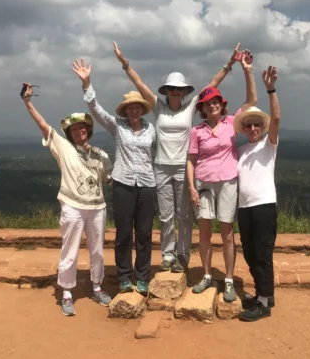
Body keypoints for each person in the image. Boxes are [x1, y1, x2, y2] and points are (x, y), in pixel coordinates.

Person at [112, 42, 243, 274]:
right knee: (165, 215)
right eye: (171, 87)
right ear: (166, 90)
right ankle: (167, 254)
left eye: (178, 88)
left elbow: (212, 85)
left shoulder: (192, 106)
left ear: (184, 92)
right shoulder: (158, 107)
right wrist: (125, 63)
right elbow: (140, 84)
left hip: (183, 167)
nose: (175, 91)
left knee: (184, 216)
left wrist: (229, 64)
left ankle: (182, 256)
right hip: (161, 167)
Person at [21, 83, 113, 317]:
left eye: (82, 127)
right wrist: (28, 102)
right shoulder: (63, 147)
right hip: (72, 205)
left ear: (88, 130)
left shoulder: (101, 155)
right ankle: (67, 293)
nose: (78, 131)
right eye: (74, 129)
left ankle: (96, 286)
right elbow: (44, 126)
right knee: (70, 250)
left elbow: (110, 178)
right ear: (69, 133)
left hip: (97, 207)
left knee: (97, 251)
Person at [75, 58, 157, 296]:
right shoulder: (117, 126)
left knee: (144, 233)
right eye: (131, 107)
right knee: (123, 233)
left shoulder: (151, 129)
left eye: (138, 107)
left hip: (147, 184)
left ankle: (142, 276)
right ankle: (123, 275)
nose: (134, 110)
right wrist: (86, 84)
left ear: (142, 109)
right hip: (123, 182)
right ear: (125, 110)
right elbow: (95, 110)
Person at [187, 53, 257, 303]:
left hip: (227, 181)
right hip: (203, 183)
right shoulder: (197, 131)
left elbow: (251, 100)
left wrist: (246, 69)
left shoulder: (231, 123)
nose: (212, 106)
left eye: (215, 102)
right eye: (208, 104)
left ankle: (227, 279)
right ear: (203, 109)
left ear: (221, 104)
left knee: (227, 233)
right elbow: (191, 161)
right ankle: (207, 275)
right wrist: (191, 189)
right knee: (204, 232)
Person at [235, 65, 280, 322]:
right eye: (248, 125)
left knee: (262, 253)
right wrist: (246, 71)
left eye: (256, 125)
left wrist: (270, 89)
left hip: (263, 205)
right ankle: (265, 293)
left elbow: (276, 119)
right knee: (251, 253)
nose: (252, 128)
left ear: (262, 127)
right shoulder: (240, 151)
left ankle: (263, 303)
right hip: (245, 208)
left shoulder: (268, 144)